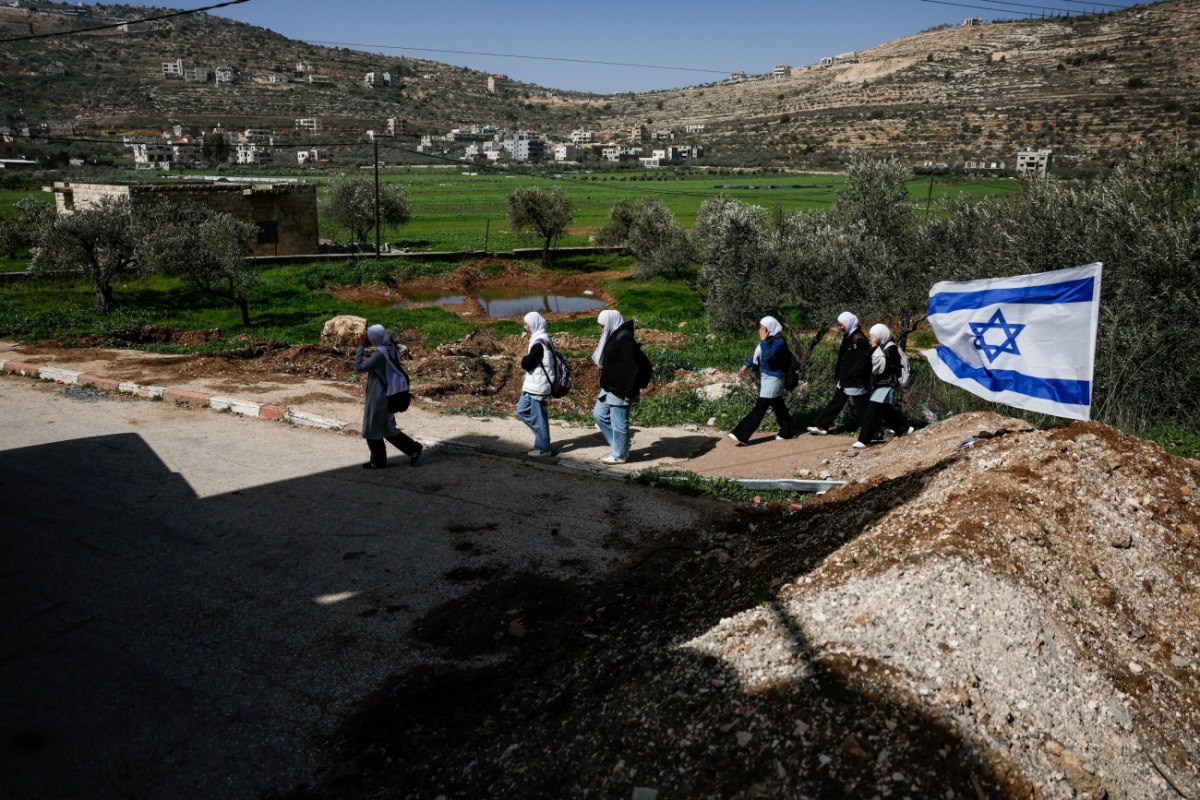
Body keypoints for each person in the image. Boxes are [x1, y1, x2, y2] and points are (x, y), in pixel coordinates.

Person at [355, 324, 422, 469]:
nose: (366, 337)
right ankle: (413, 449)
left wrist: (360, 347)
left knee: (371, 429)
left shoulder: (380, 355)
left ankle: (378, 461)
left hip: (379, 397)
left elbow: (359, 368)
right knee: (387, 428)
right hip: (387, 394)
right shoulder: (390, 348)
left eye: (369, 335)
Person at [728, 316, 796, 445]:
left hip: (774, 378)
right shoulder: (768, 340)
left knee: (760, 407)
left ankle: (741, 434)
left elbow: (769, 356)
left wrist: (764, 340)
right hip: (766, 377)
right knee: (778, 405)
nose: (760, 330)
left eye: (762, 327)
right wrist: (746, 365)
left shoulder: (779, 342)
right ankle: (788, 431)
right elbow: (757, 354)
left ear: (769, 328)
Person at [806, 311, 872, 436]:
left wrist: (851, 374)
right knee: (836, 402)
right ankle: (821, 425)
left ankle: (873, 431)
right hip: (846, 379)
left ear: (848, 323)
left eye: (841, 325)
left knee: (862, 407)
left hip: (854, 381)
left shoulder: (859, 339)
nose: (840, 327)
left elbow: (862, 363)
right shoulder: (849, 336)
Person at [853, 323, 915, 449]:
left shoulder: (891, 349)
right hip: (882, 385)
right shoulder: (883, 347)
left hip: (887, 384)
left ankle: (864, 439)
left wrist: (874, 347)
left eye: (873, 336)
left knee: (872, 409)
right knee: (883, 409)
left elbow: (875, 364)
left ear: (880, 336)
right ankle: (903, 428)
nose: (871, 339)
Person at [592, 309, 642, 464]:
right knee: (599, 414)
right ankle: (620, 447)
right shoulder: (614, 334)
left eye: (603, 325)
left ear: (611, 322)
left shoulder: (624, 337)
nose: (602, 329)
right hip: (609, 386)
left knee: (620, 423)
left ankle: (619, 454)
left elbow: (632, 366)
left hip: (620, 389)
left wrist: (630, 392)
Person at [516, 311, 555, 457]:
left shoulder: (539, 343)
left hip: (538, 387)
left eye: (526, 324)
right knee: (521, 410)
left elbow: (528, 363)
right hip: (534, 385)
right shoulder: (541, 338)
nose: (525, 327)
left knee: (539, 418)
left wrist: (523, 360)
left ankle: (544, 448)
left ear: (533, 324)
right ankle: (542, 439)